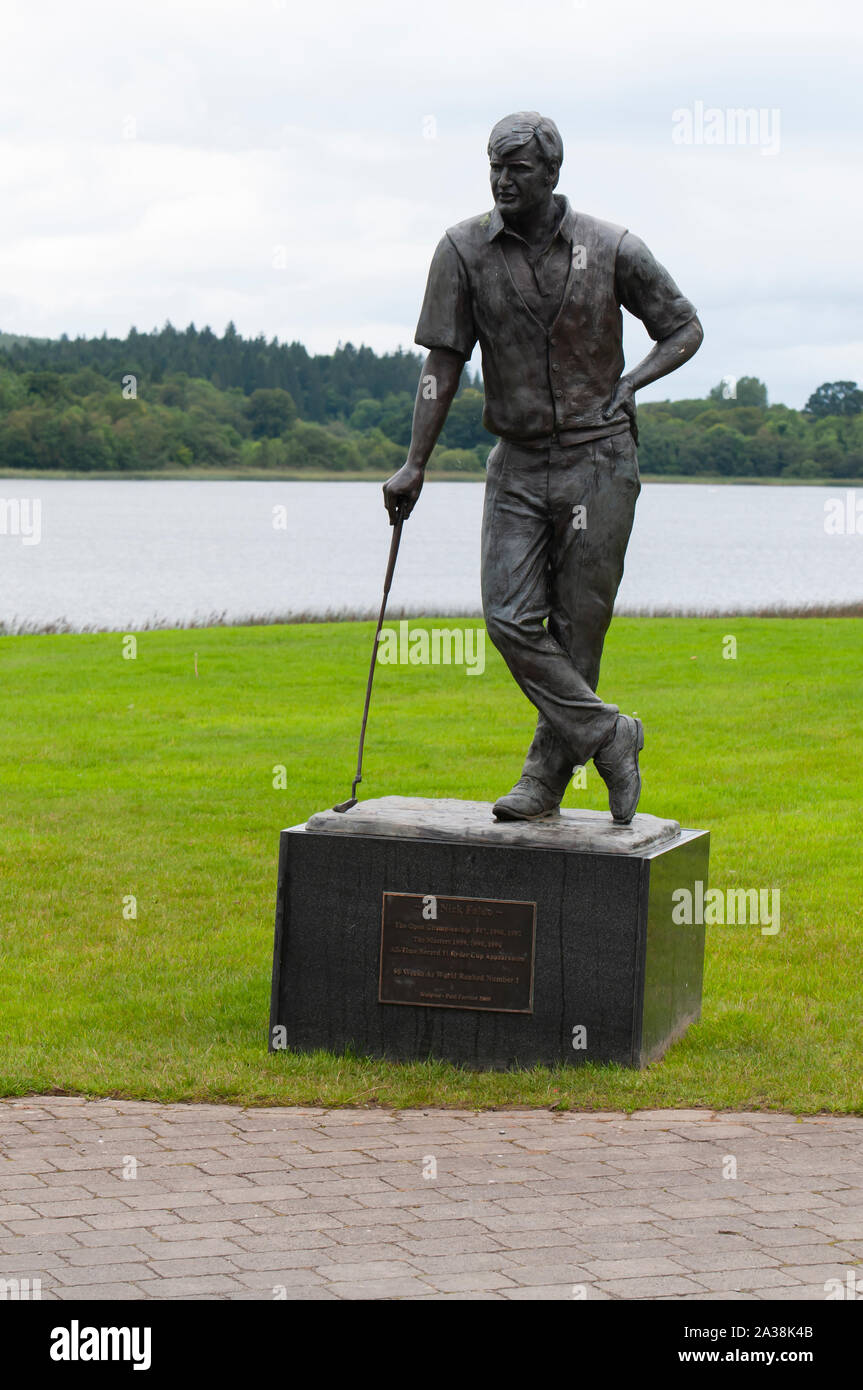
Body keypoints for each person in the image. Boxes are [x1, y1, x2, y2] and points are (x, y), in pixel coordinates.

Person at [383, 111, 703, 823]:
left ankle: (543, 782)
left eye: (517, 169)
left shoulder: (611, 246)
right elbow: (441, 364)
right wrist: (414, 463)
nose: (502, 180)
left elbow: (682, 326)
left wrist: (632, 383)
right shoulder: (462, 250)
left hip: (601, 458)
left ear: (551, 174)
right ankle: (608, 734)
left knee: (577, 630)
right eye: (494, 167)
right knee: (507, 617)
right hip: (518, 463)